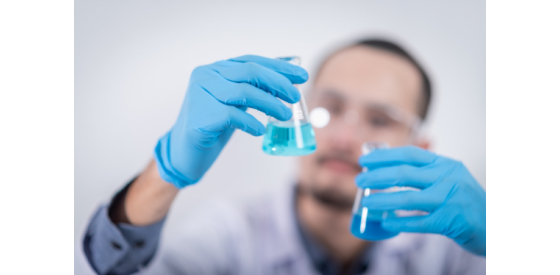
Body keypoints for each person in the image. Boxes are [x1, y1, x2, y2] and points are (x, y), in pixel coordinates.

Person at [83, 38, 486, 275]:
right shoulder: (230, 235)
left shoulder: (451, 253)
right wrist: (165, 172)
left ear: (420, 149)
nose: (344, 137)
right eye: (328, 108)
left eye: (379, 119)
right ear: (300, 115)